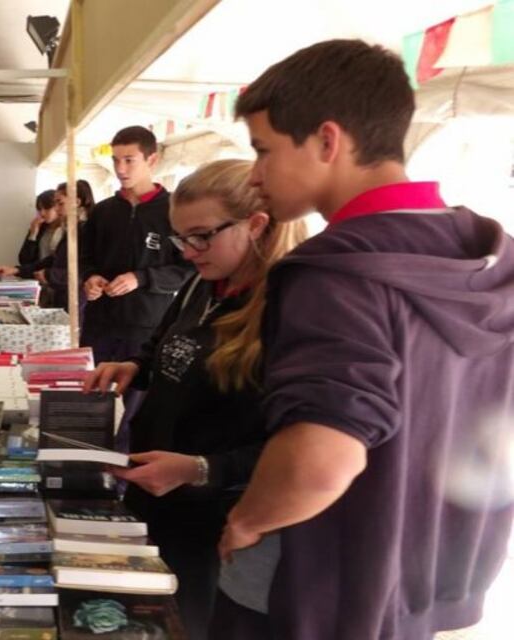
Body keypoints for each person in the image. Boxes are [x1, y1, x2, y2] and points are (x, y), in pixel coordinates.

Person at [211, 39, 514, 640]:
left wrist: (247, 519)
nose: (255, 175)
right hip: (429, 578)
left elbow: (325, 456)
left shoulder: (335, 274)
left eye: (264, 150)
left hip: (315, 582)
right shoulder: (487, 256)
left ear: (328, 141)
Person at [84, 159, 307, 637]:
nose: (187, 252)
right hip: (160, 494)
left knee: (193, 621)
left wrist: (199, 468)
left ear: (256, 225)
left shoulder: (293, 309)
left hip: (221, 519)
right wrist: (136, 368)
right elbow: (163, 343)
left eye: (201, 236)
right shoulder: (202, 282)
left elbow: (298, 448)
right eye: (180, 238)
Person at [80, 125, 194, 448]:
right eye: (116, 160)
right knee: (93, 401)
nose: (120, 169)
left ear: (152, 159)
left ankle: (124, 475)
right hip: (100, 324)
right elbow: (85, 258)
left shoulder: (174, 211)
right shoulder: (104, 212)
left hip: (146, 327)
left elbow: (188, 269)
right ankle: (89, 466)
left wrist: (141, 278)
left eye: (129, 160)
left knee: (133, 410)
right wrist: (90, 279)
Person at [36, 179, 95, 310]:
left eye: (60, 203)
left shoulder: (86, 230)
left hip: (77, 300)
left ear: (77, 202)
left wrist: (50, 275)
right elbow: (56, 259)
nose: (56, 209)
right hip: (64, 295)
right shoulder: (72, 229)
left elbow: (83, 270)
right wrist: (20, 270)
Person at [0, 189, 61, 285]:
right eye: (39, 209)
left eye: (46, 208)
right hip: (36, 279)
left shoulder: (65, 231)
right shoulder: (40, 228)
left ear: (57, 207)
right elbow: (24, 260)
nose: (42, 213)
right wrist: (33, 234)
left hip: (55, 279)